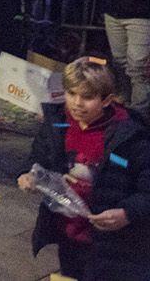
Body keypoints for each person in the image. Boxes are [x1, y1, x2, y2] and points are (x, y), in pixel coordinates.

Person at [18, 58, 149, 280]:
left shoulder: (131, 136)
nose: (77, 103)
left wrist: (127, 213)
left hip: (117, 244)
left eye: (87, 97)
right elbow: (38, 159)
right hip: (69, 232)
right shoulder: (57, 124)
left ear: (107, 99)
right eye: (71, 93)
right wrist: (29, 175)